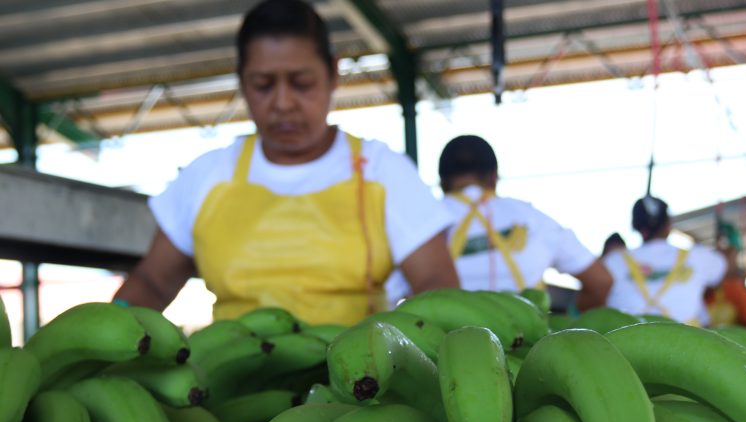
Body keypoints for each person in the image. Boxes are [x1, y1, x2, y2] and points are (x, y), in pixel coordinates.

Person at [113, 0, 458, 326]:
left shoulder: (382, 171)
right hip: (230, 382)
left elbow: (435, 286)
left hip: (359, 383)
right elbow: (151, 283)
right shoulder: (207, 175)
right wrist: (112, 325)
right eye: (263, 85)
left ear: (333, 74)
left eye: (301, 83)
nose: (283, 103)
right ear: (242, 82)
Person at [386, 134, 612, 311]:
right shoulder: (532, 219)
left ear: (442, 182)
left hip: (446, 357)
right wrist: (571, 320)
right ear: (494, 176)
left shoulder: (419, 224)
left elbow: (387, 296)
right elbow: (601, 281)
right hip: (529, 354)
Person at [603, 195, 727, 325]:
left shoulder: (613, 261)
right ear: (668, 224)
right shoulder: (698, 256)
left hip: (626, 342)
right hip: (687, 341)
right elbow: (727, 268)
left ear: (635, 225)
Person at [704, 221, 746, 329]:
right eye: (717, 250)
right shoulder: (706, 287)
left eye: (727, 251)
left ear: (735, 252)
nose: (720, 256)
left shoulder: (738, 287)